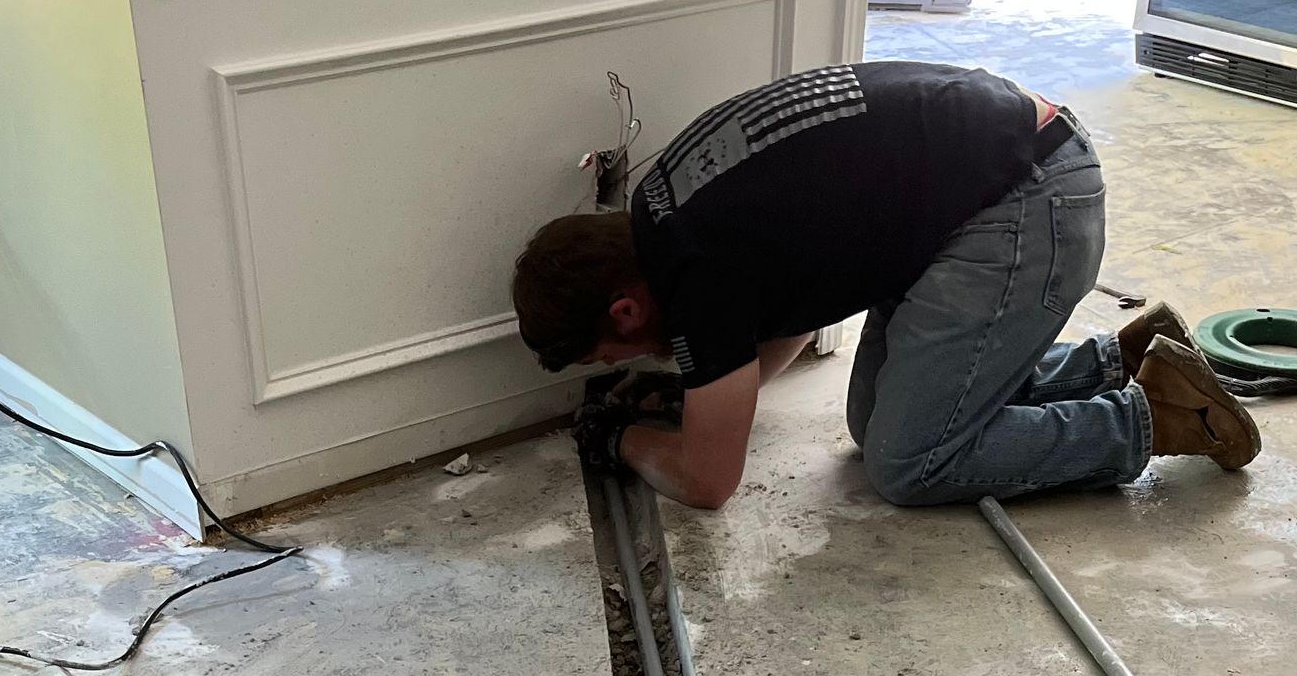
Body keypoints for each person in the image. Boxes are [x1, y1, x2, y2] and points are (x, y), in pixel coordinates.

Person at [511, 60, 1259, 513]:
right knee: (874, 428)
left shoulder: (695, 278)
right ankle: (1122, 358)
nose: (631, 364)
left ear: (625, 307)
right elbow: (791, 316)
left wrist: (623, 439)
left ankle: (1156, 418)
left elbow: (709, 486)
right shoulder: (666, 209)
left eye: (613, 354)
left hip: (1027, 201)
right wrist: (699, 400)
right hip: (988, 181)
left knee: (910, 463)